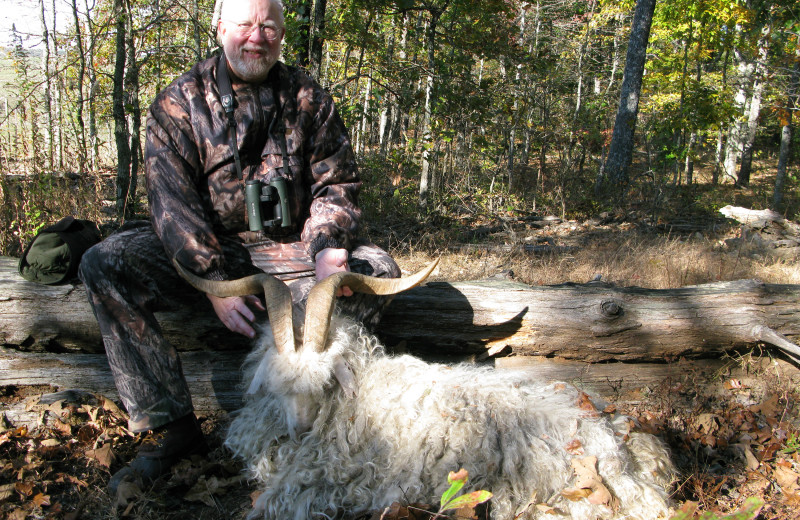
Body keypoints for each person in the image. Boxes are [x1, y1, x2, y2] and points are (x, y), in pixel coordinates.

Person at [78, 0, 399, 493]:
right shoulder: (178, 103)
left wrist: (329, 251)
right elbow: (171, 204)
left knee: (378, 269)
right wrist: (214, 281)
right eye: (245, 24)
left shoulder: (310, 98)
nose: (257, 37)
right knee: (104, 262)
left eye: (268, 26)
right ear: (220, 27)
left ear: (283, 34)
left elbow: (336, 185)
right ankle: (171, 428)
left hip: (295, 250)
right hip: (214, 252)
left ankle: (334, 418)